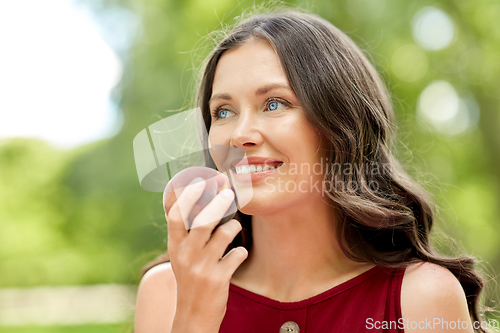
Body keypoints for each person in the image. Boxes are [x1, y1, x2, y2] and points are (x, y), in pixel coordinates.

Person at [134, 6, 492, 333]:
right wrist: (193, 319)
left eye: (274, 103)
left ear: (339, 125)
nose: (239, 134)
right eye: (223, 112)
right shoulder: (167, 292)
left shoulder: (422, 298)